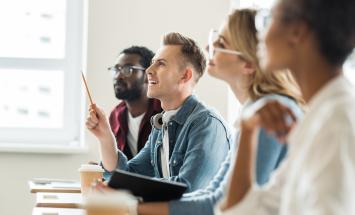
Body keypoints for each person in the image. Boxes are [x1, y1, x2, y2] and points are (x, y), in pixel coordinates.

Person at [131, 8, 303, 215]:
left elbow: (224, 203)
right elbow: (213, 194)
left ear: (248, 63)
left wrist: (134, 208)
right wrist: (135, 207)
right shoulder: (253, 111)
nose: (208, 47)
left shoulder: (270, 113)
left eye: (220, 44)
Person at [218, 0, 355, 214]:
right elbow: (242, 210)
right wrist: (248, 129)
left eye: (268, 19)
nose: (261, 34)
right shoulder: (317, 119)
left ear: (297, 32)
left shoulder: (336, 122)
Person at [86, 32, 231, 193]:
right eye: (152, 63)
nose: (149, 70)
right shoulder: (161, 125)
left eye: (160, 63)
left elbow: (186, 190)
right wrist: (105, 137)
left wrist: (132, 188)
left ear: (185, 75)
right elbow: (127, 175)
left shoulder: (207, 124)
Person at [107, 46, 161, 160]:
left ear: (148, 75)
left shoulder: (165, 112)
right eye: (116, 70)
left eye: (127, 70)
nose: (118, 76)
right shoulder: (115, 115)